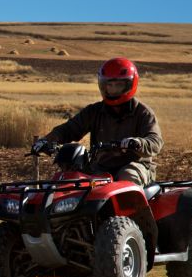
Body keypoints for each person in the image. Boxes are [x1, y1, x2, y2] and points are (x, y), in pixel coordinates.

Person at [32, 57, 163, 185]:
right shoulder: (94, 111)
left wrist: (138, 143)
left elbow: (155, 141)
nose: (113, 90)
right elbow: (69, 129)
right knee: (75, 182)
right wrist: (46, 140)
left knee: (128, 177)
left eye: (118, 85)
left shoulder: (143, 113)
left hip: (135, 165)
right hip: (101, 167)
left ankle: (138, 208)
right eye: (109, 85)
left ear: (130, 85)